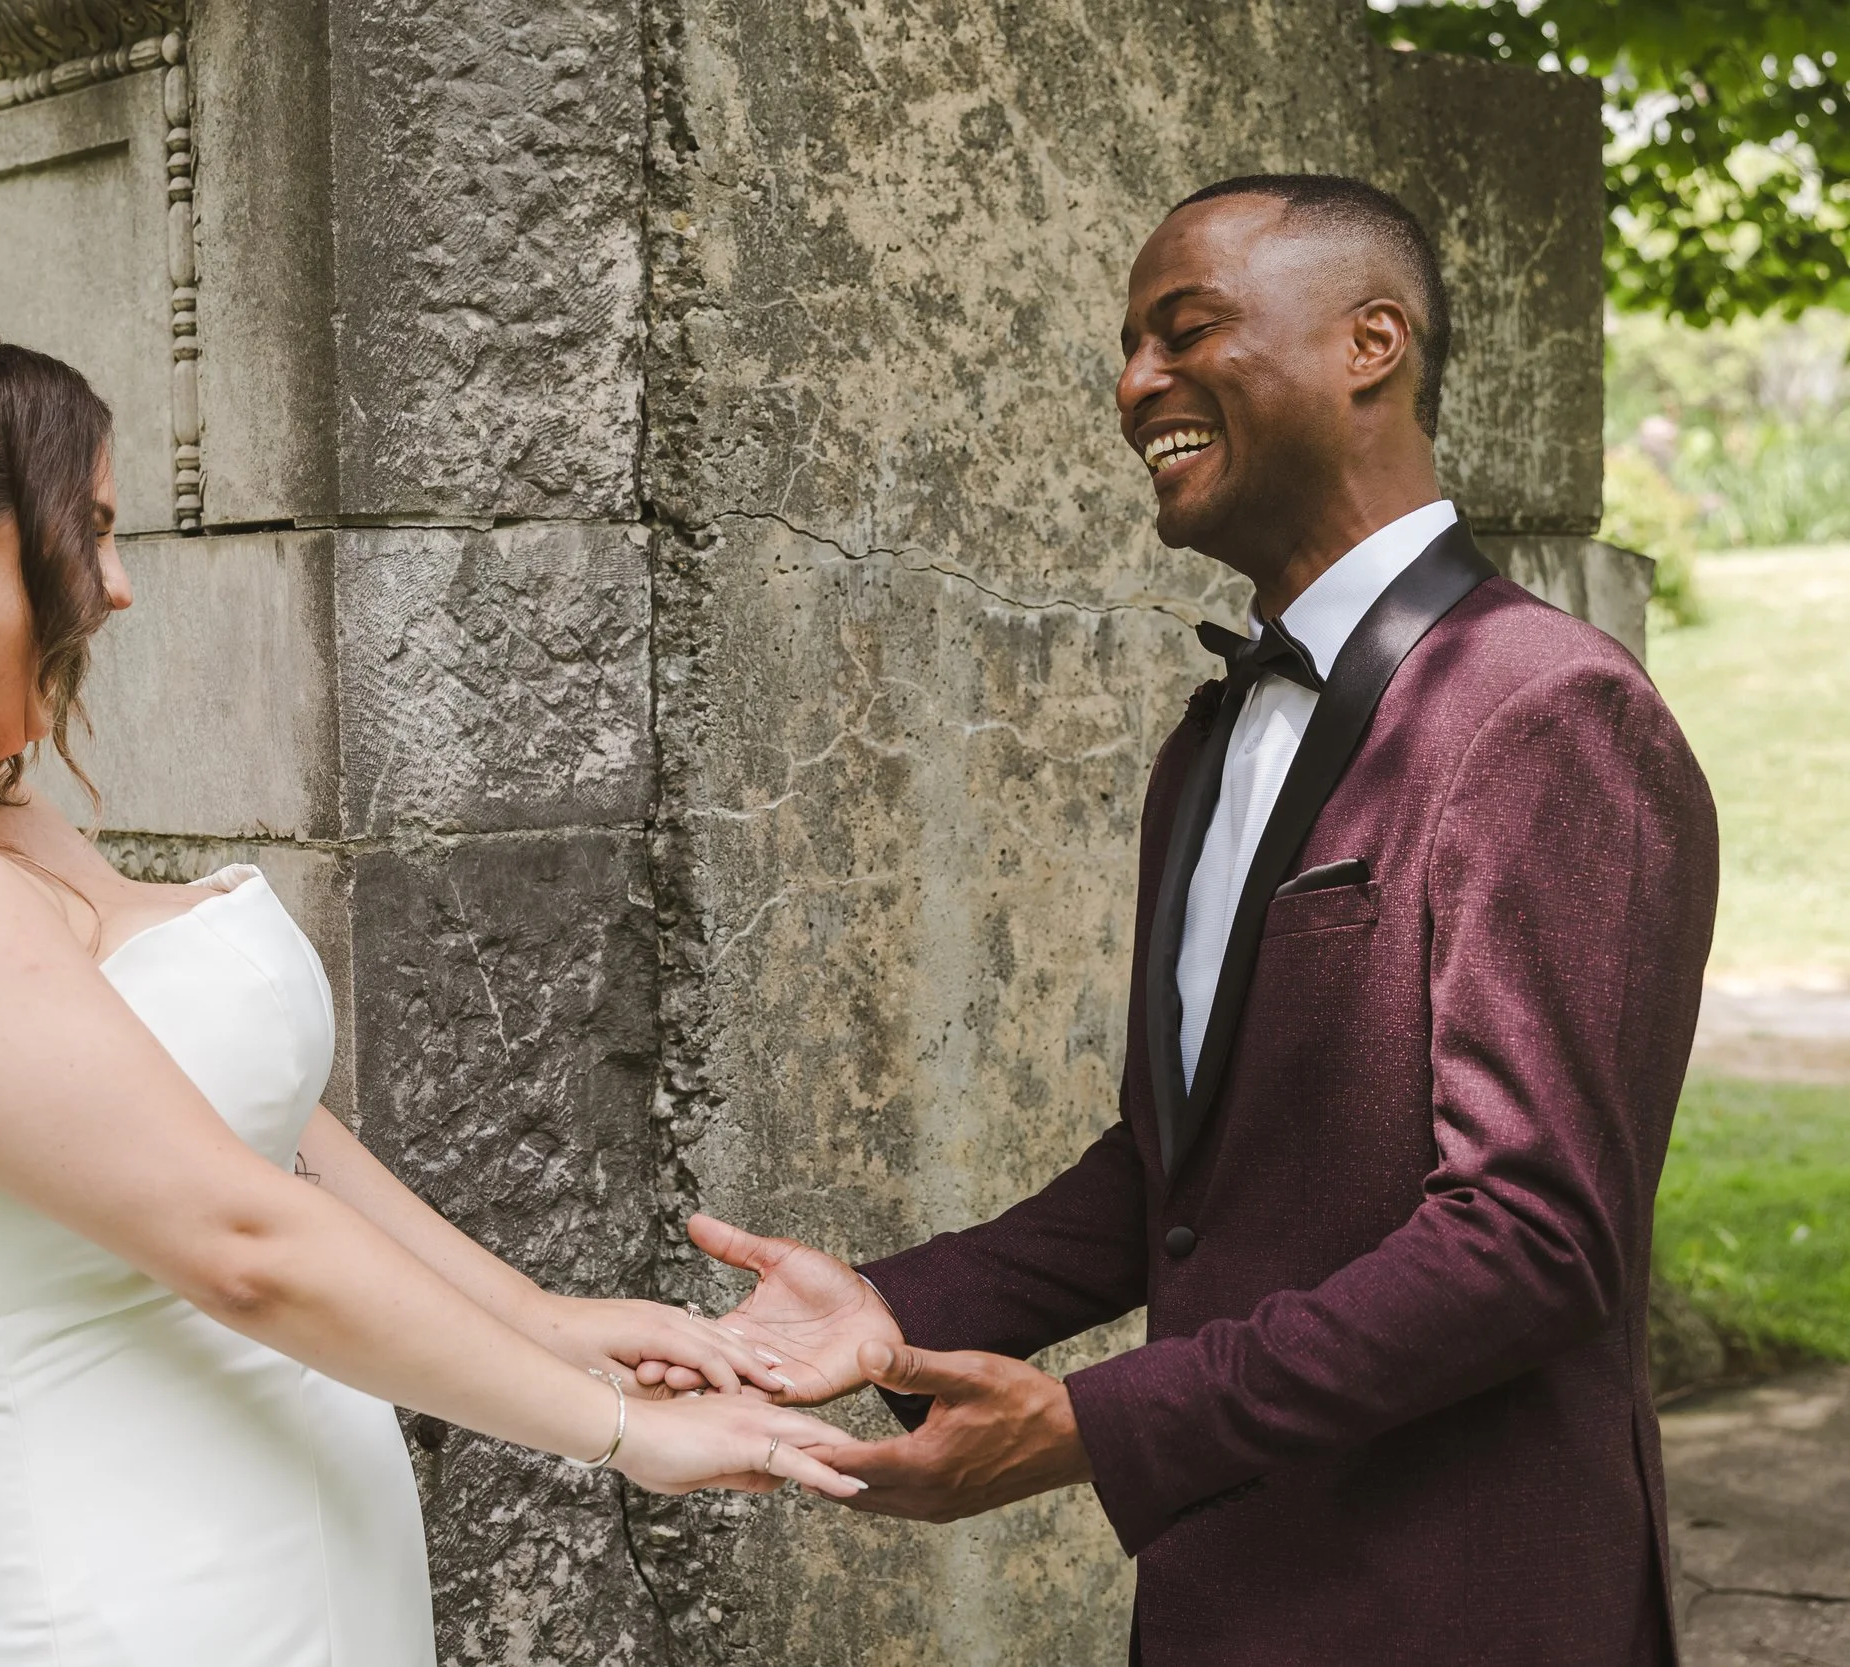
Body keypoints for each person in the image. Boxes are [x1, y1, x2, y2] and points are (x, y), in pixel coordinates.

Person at [0, 300, 860, 1667]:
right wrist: (624, 1434)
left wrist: (552, 1321)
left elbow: (247, 1122)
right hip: (103, 1602)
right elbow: (241, 1239)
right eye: (91, 526)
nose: (115, 584)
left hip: (281, 1568)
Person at [676, 175, 1719, 1666]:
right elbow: (1184, 1174)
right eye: (1127, 345)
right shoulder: (1212, 741)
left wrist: (1092, 1425)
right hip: (1228, 1602)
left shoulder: (1551, 713)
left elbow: (1532, 1238)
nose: (1133, 384)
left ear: (1373, 342)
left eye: (1187, 330)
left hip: (1461, 1607)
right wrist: (888, 1308)